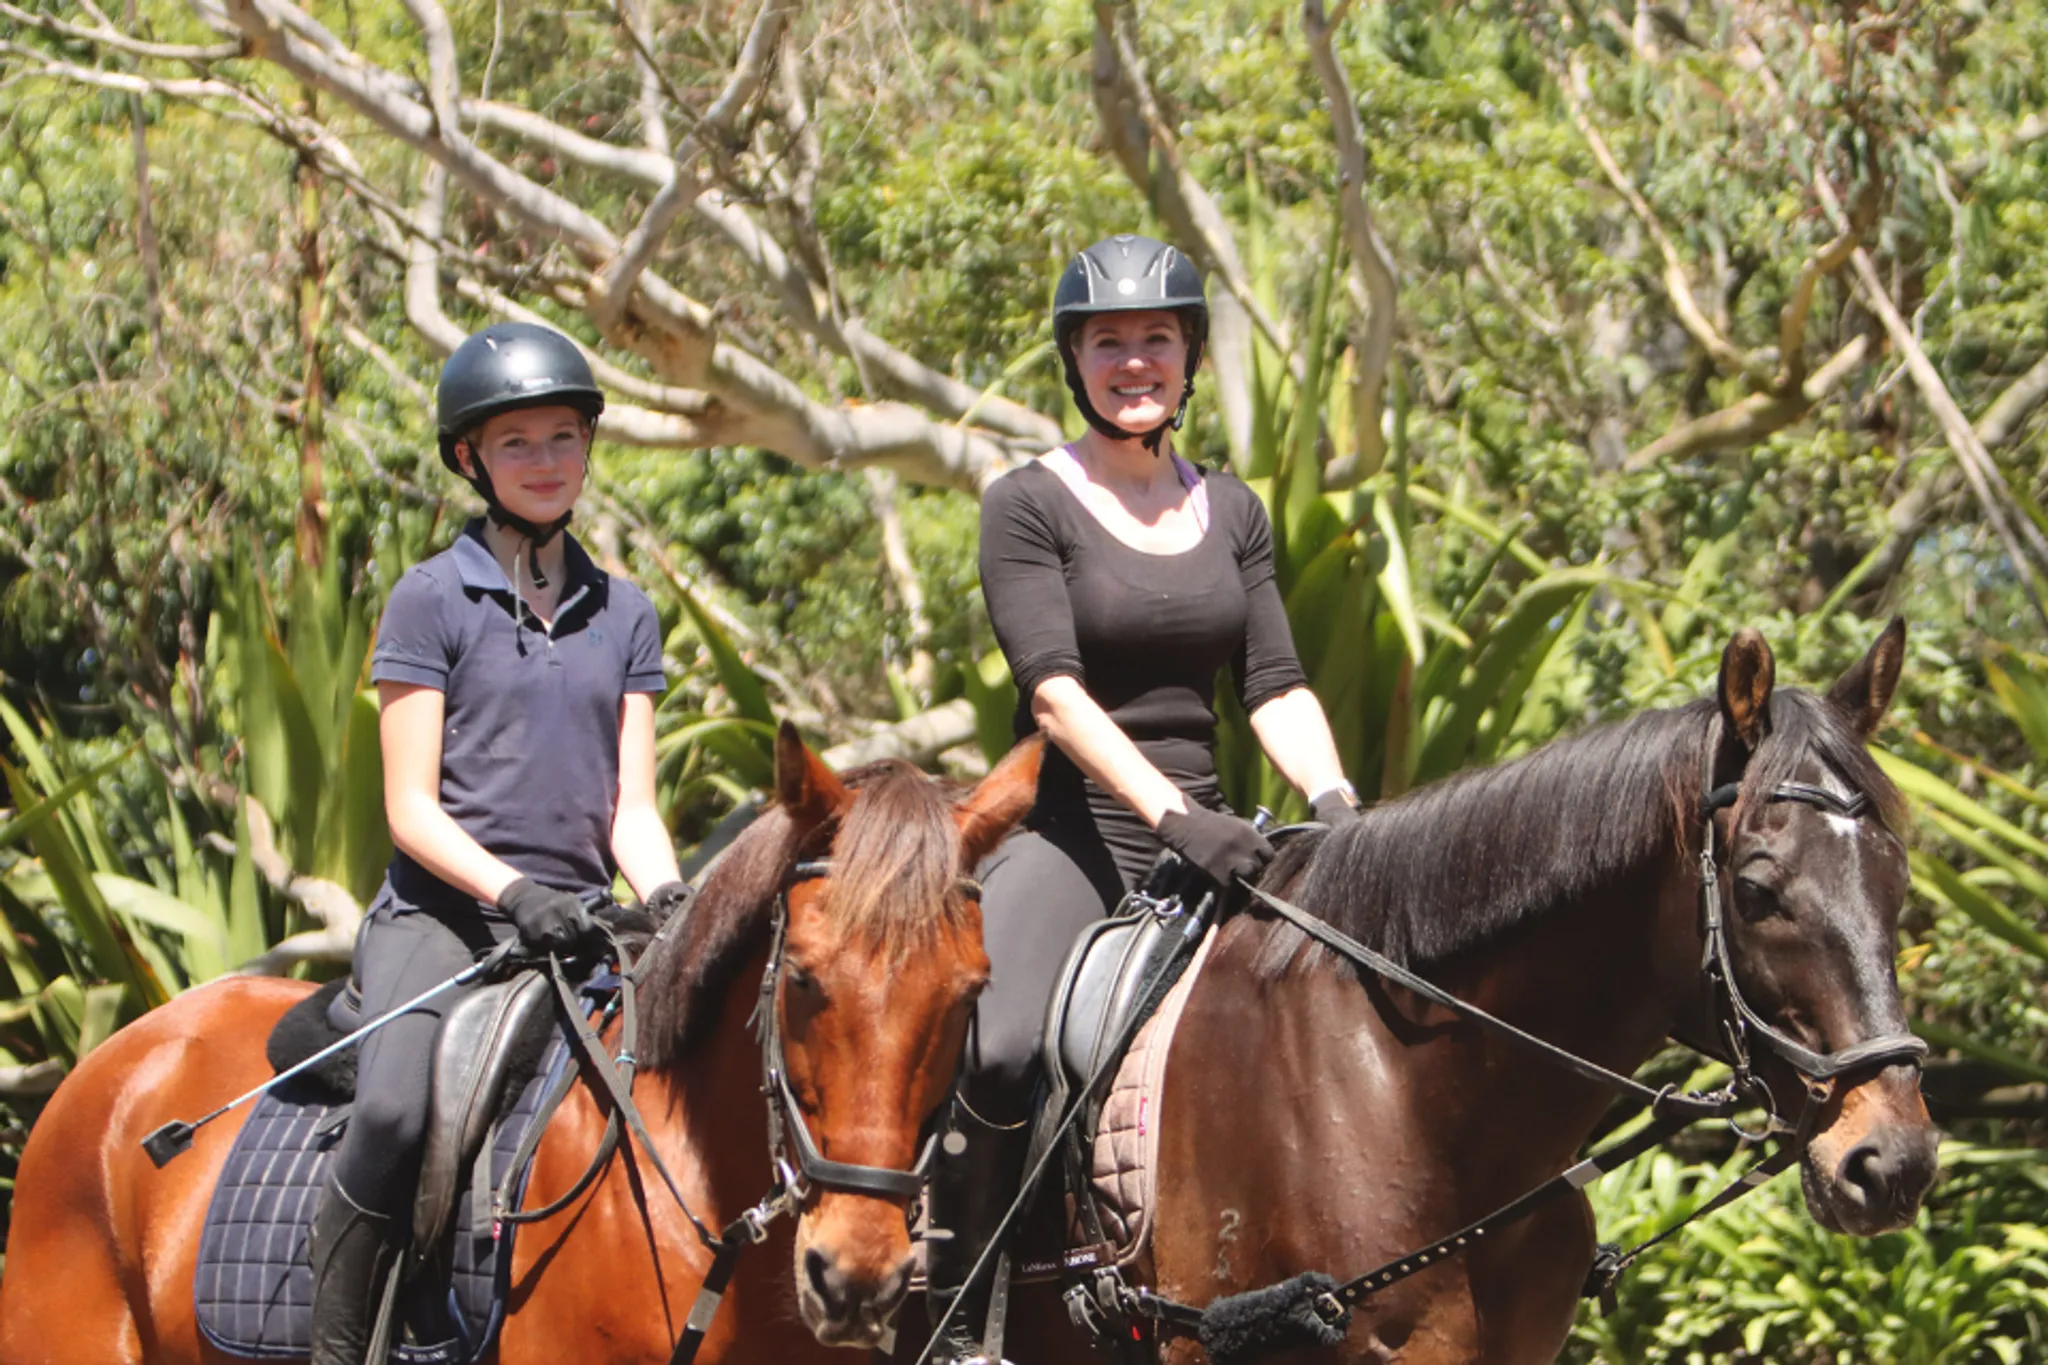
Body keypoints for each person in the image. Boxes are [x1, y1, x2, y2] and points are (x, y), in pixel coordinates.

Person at [926, 235, 1361, 1361]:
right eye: (1108, 341)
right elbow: (1055, 697)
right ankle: (953, 1320)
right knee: (999, 1046)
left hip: (1213, 835)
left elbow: (1274, 684)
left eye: (1156, 338)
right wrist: (1174, 820)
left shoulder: (1233, 509)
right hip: (1075, 834)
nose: (1134, 361)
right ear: (1074, 361)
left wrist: (1336, 802)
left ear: (1190, 354)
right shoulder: (1027, 503)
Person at [309, 321, 690, 1365]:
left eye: (563, 437)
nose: (545, 460)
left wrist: (667, 898)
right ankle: (339, 1348)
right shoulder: (431, 598)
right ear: (469, 458)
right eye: (516, 442)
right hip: (443, 917)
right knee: (395, 1112)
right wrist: (512, 890)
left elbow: (632, 809)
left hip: (580, 921)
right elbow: (409, 807)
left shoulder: (625, 613)